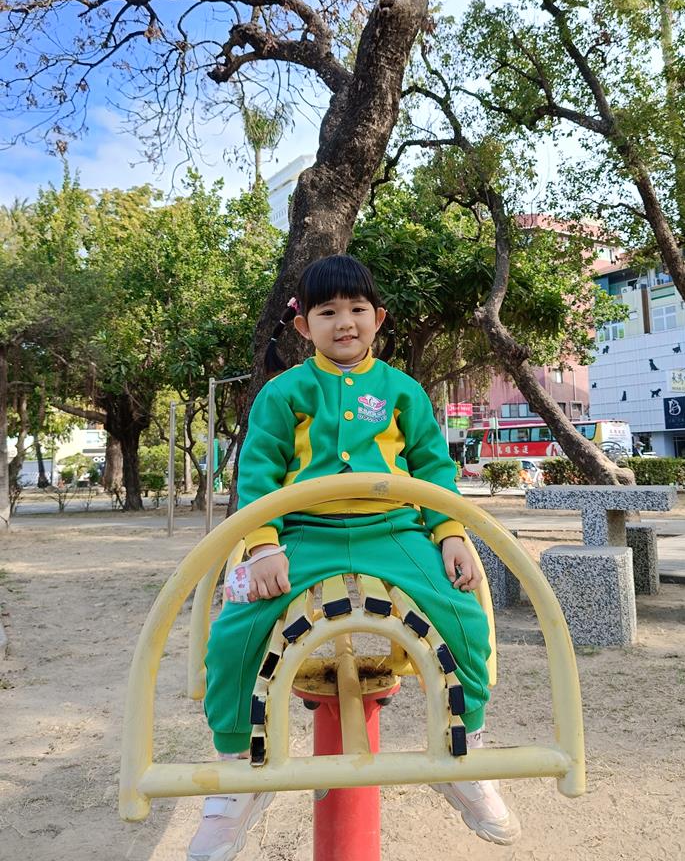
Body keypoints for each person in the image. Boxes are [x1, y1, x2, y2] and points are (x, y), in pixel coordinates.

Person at [188, 254, 520, 861]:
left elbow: (433, 468)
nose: (345, 322)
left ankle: (461, 749)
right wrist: (263, 546)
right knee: (236, 627)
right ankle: (237, 770)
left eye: (357, 309)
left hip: (392, 529)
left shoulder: (402, 391)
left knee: (464, 615)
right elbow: (257, 475)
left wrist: (449, 533)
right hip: (302, 532)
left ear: (378, 318)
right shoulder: (284, 392)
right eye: (328, 312)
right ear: (303, 326)